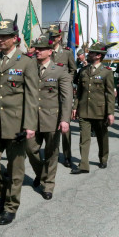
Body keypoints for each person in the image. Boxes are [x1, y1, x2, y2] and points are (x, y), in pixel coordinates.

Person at [0, 16, 38, 226]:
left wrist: (30, 125)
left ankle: (11, 206)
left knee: (16, 169)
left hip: (17, 124)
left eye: (4, 36)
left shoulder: (26, 62)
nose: (0, 40)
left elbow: (32, 96)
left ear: (15, 38)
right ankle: (4, 193)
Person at [25, 33, 72, 200]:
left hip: (52, 119)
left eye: (41, 49)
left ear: (50, 51)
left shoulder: (60, 70)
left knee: (52, 153)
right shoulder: (29, 68)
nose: (37, 51)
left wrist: (65, 119)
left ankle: (48, 185)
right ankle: (41, 173)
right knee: (31, 149)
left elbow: (66, 97)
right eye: (36, 49)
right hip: (32, 118)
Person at [71, 41, 115, 173]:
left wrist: (110, 113)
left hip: (100, 111)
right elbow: (79, 91)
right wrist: (75, 107)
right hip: (84, 110)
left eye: (91, 53)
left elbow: (110, 94)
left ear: (98, 56)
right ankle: (83, 165)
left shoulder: (107, 72)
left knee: (102, 137)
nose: (88, 54)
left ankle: (103, 158)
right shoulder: (84, 71)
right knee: (84, 139)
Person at [47, 24, 76, 168]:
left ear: (59, 37)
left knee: (65, 126)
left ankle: (67, 155)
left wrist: (67, 81)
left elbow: (73, 69)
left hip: (63, 92)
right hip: (49, 92)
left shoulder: (67, 52)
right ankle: (51, 153)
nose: (51, 39)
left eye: (54, 36)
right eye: (50, 36)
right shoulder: (46, 51)